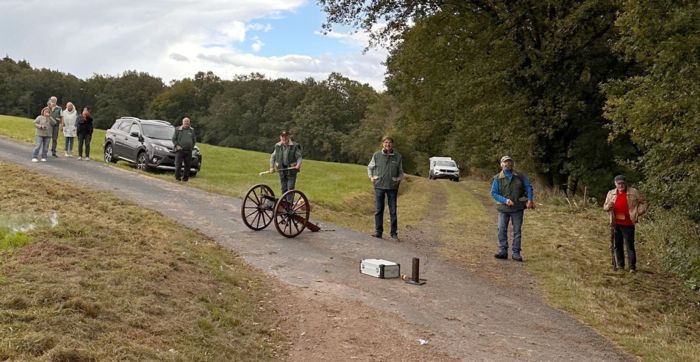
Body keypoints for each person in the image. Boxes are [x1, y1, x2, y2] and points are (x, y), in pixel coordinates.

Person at [491, 155, 534, 262]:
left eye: (509, 162)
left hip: (518, 207)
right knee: (501, 229)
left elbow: (529, 187)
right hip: (503, 208)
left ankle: (516, 253)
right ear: (501, 164)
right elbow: (494, 193)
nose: (507, 164)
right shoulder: (497, 178)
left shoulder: (520, 175)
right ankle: (503, 251)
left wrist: (530, 199)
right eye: (505, 162)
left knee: (517, 231)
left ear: (512, 164)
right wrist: (505, 200)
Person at [603, 175, 647, 273]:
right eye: (619, 183)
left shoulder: (634, 192)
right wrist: (608, 207)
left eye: (622, 183)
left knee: (629, 245)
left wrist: (637, 212)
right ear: (615, 184)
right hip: (615, 223)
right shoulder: (611, 193)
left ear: (625, 183)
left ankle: (632, 267)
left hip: (628, 223)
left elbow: (644, 203)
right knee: (617, 245)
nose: (621, 185)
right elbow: (605, 206)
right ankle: (620, 265)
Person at [367, 136, 404, 241]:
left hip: (392, 187)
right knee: (379, 209)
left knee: (393, 210)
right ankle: (378, 232)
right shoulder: (377, 155)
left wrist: (397, 180)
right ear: (383, 144)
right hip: (379, 186)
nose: (388, 144)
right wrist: (371, 177)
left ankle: (393, 233)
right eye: (386, 142)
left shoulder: (398, 157)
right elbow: (370, 167)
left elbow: (401, 172)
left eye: (390, 143)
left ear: (392, 144)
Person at [269, 130, 302, 196]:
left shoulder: (295, 146)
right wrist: (271, 167)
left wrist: (298, 165)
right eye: (282, 136)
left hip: (291, 170)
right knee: (283, 188)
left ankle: (289, 204)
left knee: (290, 188)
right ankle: (284, 203)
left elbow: (299, 157)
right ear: (280, 137)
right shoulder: (277, 146)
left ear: (289, 137)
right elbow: (273, 157)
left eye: (286, 136)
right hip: (281, 170)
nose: (284, 138)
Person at [172, 117, 197, 182]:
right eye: (185, 122)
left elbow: (194, 140)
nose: (186, 123)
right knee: (178, 165)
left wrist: (191, 147)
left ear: (189, 123)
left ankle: (185, 179)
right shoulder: (178, 129)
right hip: (180, 150)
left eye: (188, 122)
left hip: (188, 151)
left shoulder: (191, 130)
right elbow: (174, 139)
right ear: (182, 122)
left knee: (188, 166)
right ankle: (177, 178)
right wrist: (177, 145)